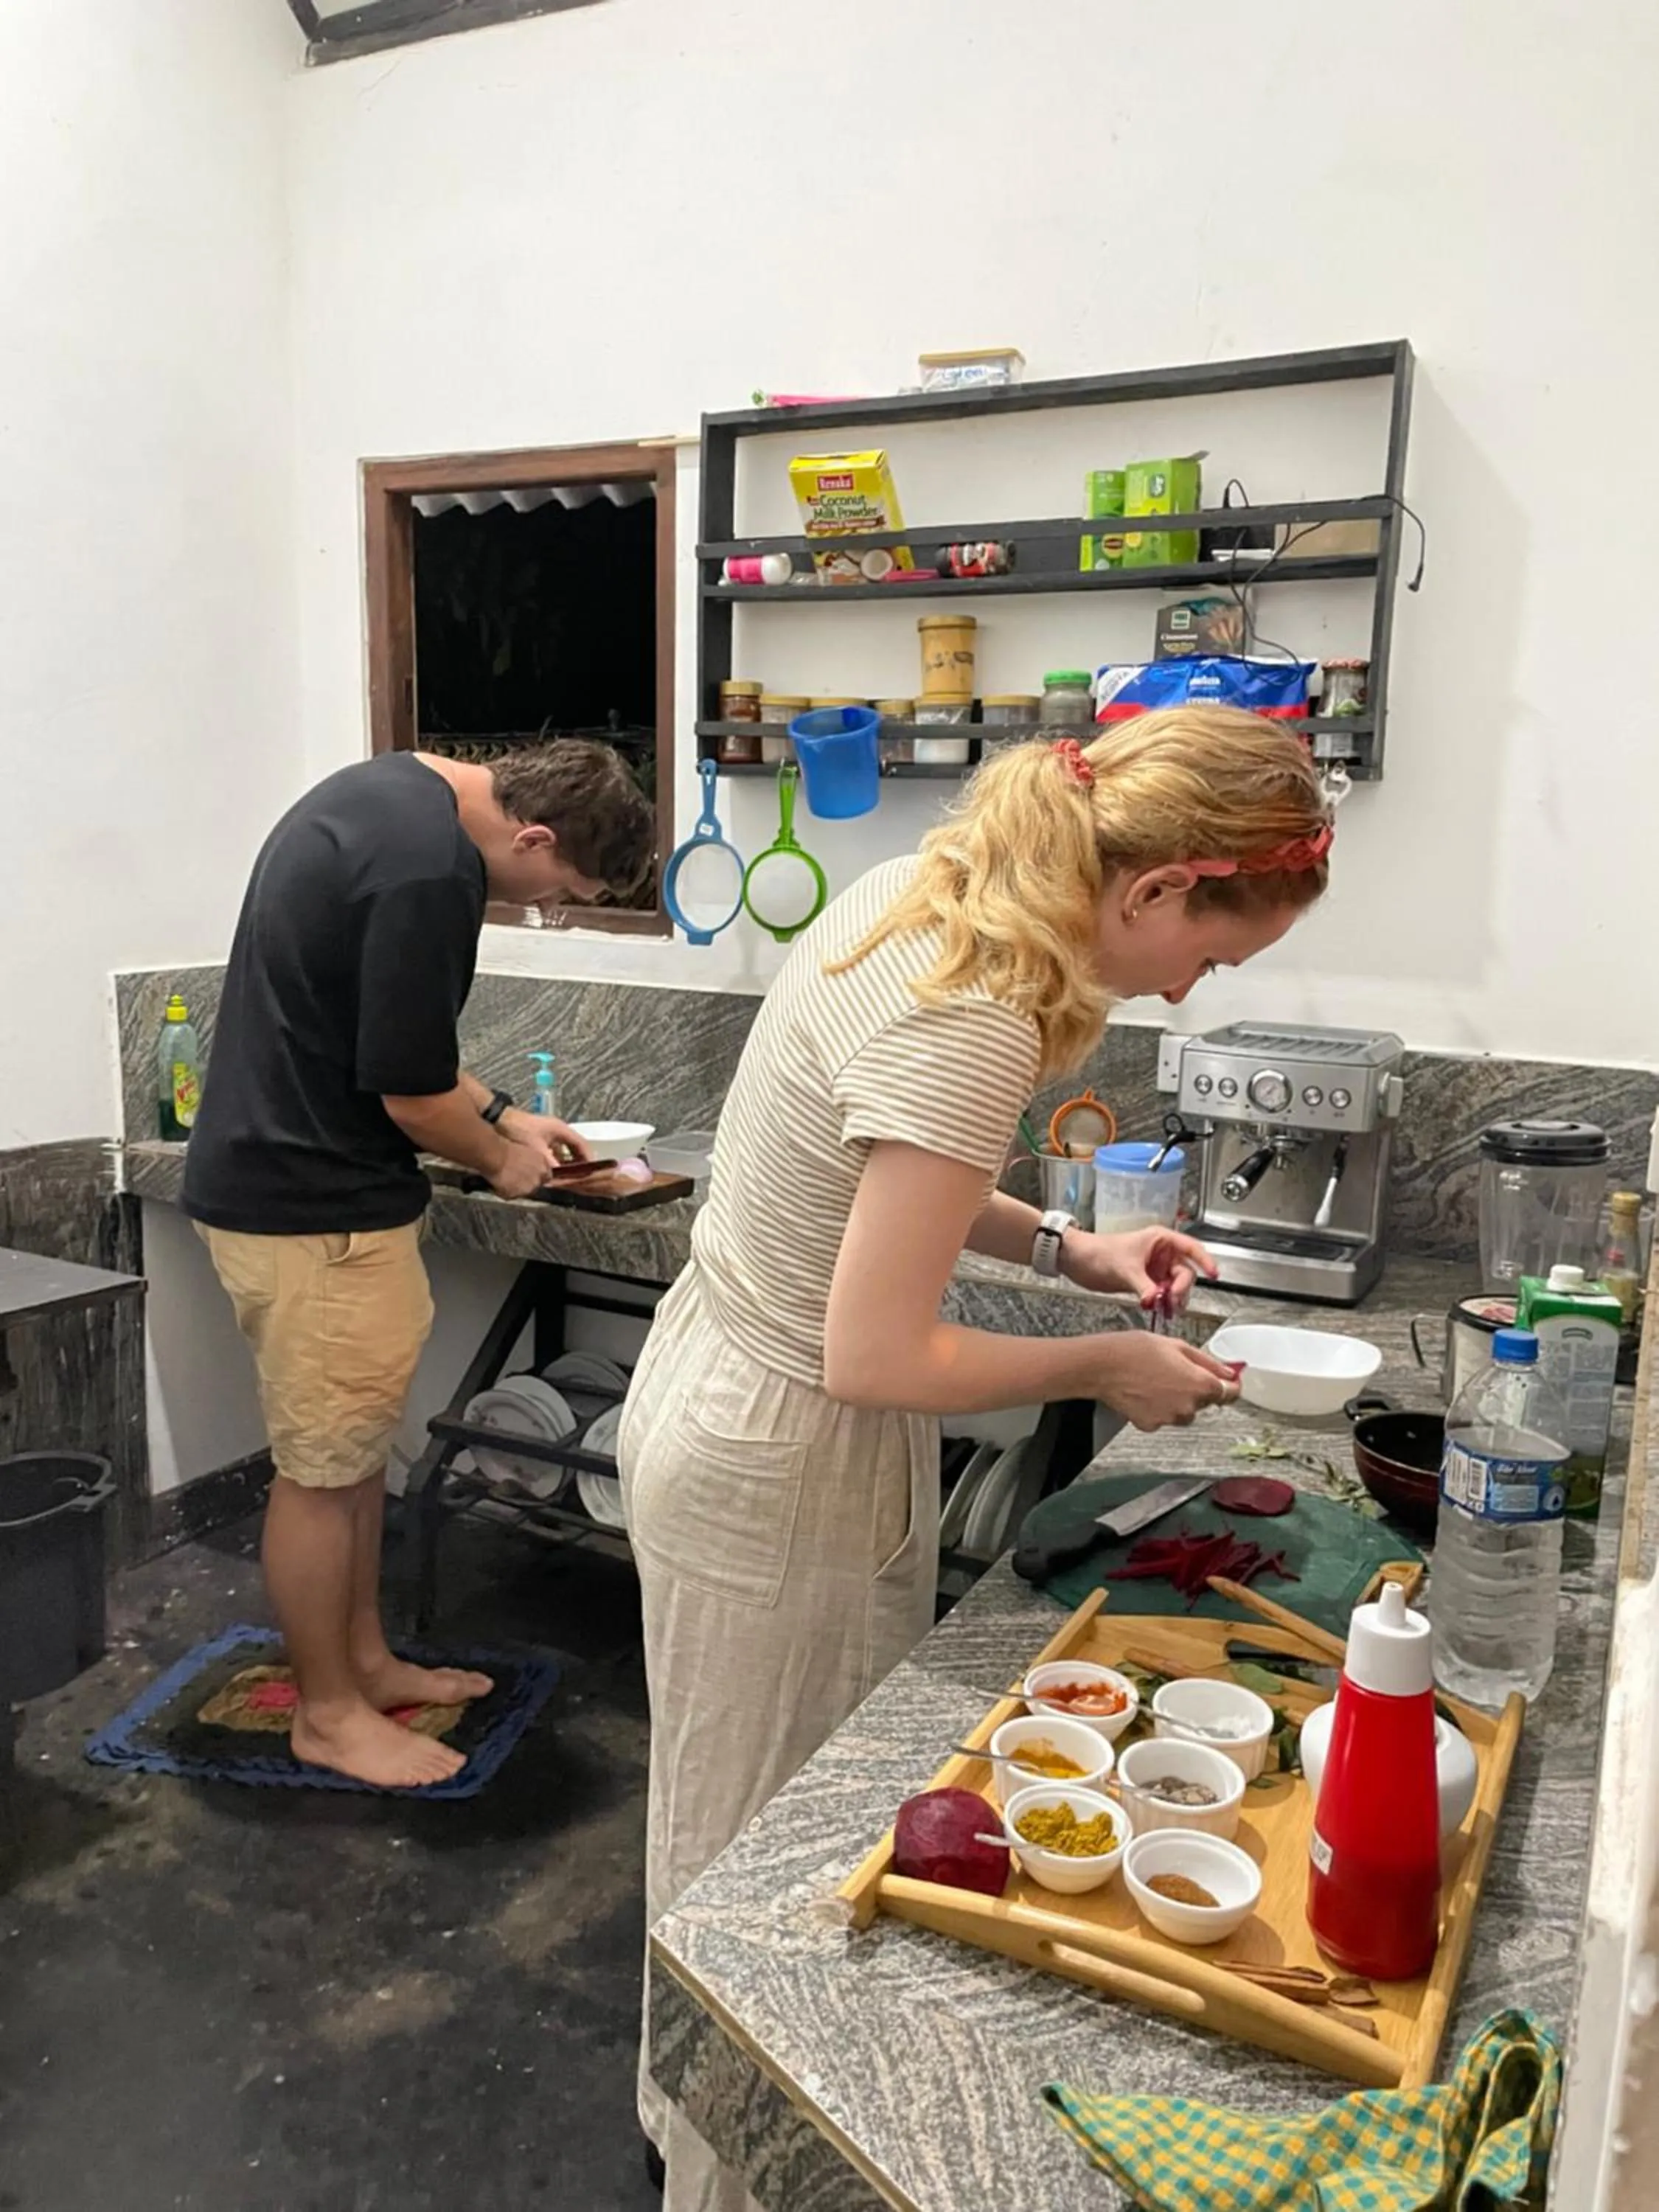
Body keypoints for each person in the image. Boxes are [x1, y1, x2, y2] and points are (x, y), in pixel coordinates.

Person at [619, 706, 1334, 2211]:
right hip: (780, 1443)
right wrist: (1109, 1366)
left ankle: (683, 2122)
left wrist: (1072, 1244)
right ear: (1157, 890)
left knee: (721, 1809)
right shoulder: (980, 1004)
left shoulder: (934, 891)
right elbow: (876, 1354)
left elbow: (902, 1175)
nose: (1193, 989)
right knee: (765, 1847)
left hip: (733, 1388)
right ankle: (721, 2175)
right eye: (1211, 956)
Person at [184, 740, 654, 1790]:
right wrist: (503, 1162)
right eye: (553, 892)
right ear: (531, 836)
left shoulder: (394, 792)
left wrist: (505, 1112)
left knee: (349, 1458)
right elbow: (405, 1091)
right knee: (320, 1474)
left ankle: (360, 1663)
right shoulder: (432, 868)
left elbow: (388, 1042)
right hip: (314, 1209)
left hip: (294, 1188)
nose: (535, 907)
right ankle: (328, 1716)